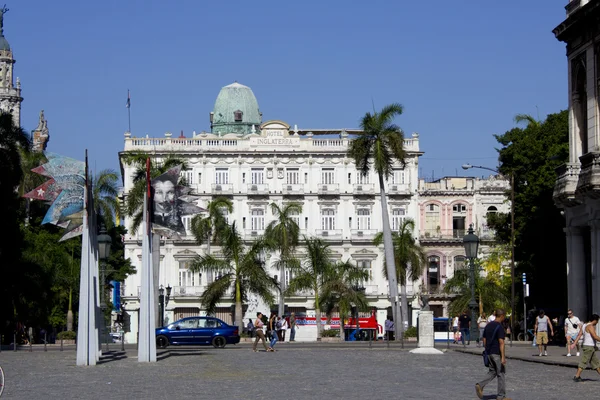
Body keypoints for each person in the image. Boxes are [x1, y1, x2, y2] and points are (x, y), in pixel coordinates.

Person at [475, 308, 510, 400]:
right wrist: (503, 357)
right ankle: (501, 396)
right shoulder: (499, 327)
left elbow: (484, 339)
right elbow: (501, 343)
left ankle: (480, 384)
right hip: (496, 353)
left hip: (489, 352)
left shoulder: (488, 325)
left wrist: (487, 350)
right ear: (502, 316)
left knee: (492, 371)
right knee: (501, 373)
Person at [572, 313, 600, 382]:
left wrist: (574, 343)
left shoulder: (584, 325)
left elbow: (579, 335)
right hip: (589, 347)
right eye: (597, 321)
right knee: (584, 362)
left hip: (588, 347)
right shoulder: (590, 326)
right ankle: (577, 376)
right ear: (595, 320)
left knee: (596, 363)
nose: (597, 322)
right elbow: (595, 336)